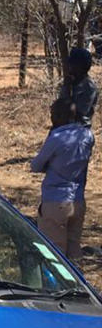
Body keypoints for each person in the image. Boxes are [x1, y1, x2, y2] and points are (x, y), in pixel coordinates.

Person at [31, 98, 94, 260]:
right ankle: (78, 283)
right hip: (78, 201)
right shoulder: (87, 135)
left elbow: (36, 165)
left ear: (59, 116)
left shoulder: (57, 137)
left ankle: (58, 285)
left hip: (55, 202)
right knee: (74, 250)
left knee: (55, 254)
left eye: (53, 114)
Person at [58, 47, 98, 127]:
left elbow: (76, 112)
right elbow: (60, 104)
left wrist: (67, 89)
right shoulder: (72, 82)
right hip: (65, 126)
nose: (69, 66)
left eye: (72, 64)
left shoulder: (89, 87)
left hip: (80, 129)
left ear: (80, 66)